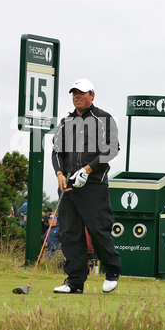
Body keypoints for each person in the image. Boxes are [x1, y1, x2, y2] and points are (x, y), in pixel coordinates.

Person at [52, 78, 122, 294]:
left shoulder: (103, 119)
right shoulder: (65, 122)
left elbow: (112, 149)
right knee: (70, 234)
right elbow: (56, 151)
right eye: (74, 93)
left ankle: (112, 270)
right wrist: (60, 173)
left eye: (82, 93)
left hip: (93, 186)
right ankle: (74, 282)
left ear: (92, 95)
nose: (77, 97)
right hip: (69, 185)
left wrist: (88, 169)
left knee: (98, 230)